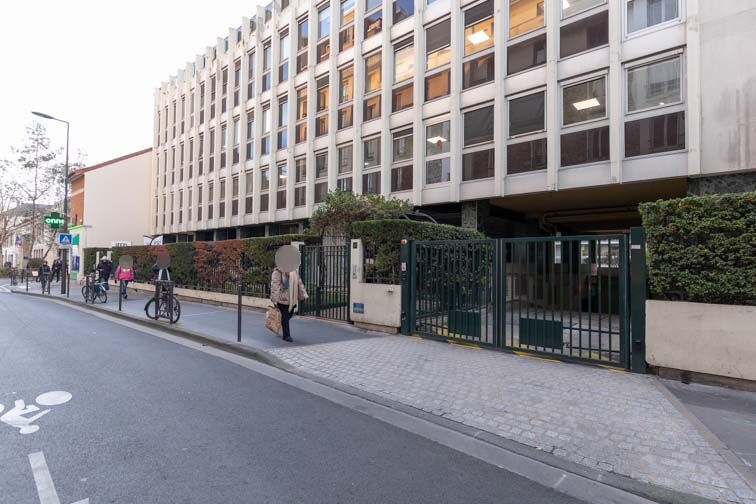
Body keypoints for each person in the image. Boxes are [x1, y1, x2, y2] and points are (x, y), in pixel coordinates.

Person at [270, 266, 308, 342]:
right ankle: (286, 335)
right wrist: (275, 300)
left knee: (289, 315)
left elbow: (299, 283)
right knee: (285, 316)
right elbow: (275, 286)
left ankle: (280, 322)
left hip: (292, 299)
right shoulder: (277, 272)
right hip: (282, 299)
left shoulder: (294, 271)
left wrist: (304, 294)